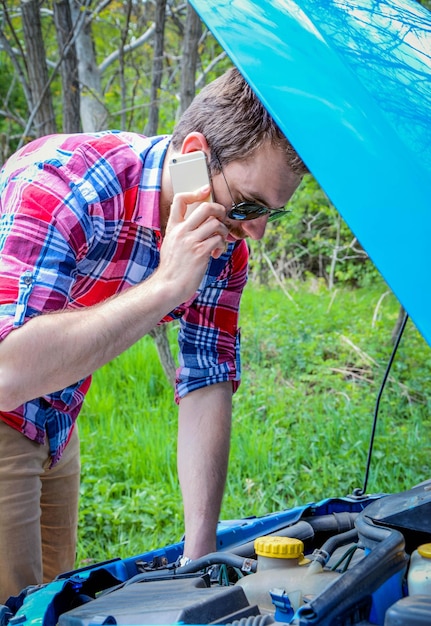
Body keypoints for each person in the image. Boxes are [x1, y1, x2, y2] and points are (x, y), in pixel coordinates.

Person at [0, 67, 307, 602]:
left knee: (54, 600)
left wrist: (200, 555)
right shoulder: (63, 186)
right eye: (250, 204)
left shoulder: (224, 241)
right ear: (194, 153)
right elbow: (6, 373)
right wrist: (166, 285)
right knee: (13, 601)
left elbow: (207, 381)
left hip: (56, 413)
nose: (254, 229)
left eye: (271, 214)